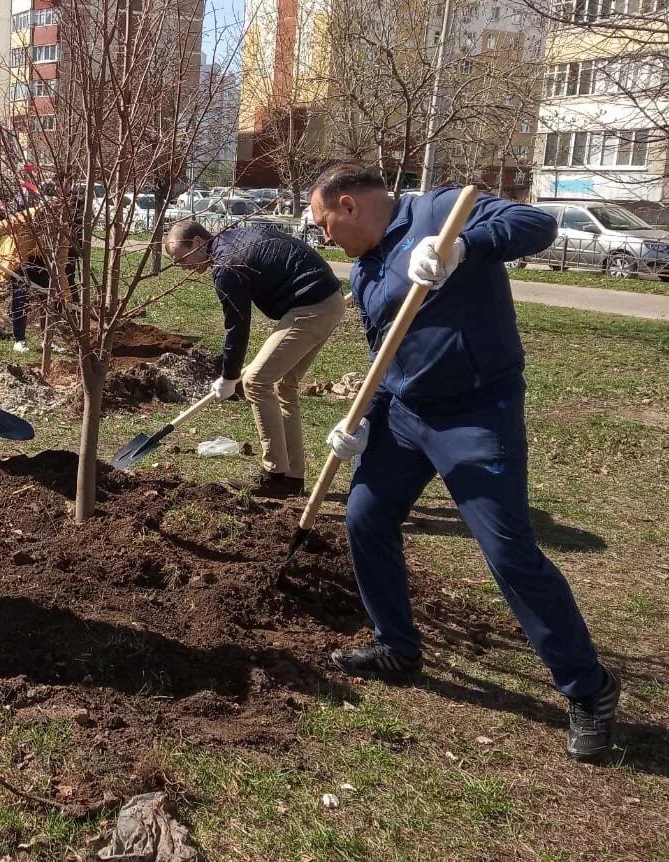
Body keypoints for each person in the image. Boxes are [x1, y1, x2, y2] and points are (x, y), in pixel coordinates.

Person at [309, 162, 620, 763]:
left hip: (477, 413)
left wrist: (463, 246)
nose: (325, 239)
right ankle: (396, 644)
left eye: (325, 224)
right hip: (404, 415)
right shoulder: (366, 272)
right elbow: (386, 358)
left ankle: (589, 688)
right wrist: (359, 423)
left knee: (507, 550)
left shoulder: (443, 211)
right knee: (365, 519)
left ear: (347, 204)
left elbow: (534, 226)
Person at [164, 218, 344, 497]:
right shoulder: (232, 239)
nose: (182, 267)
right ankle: (293, 478)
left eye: (182, 258)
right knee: (285, 385)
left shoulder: (226, 267)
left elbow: (237, 325)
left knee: (256, 382)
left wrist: (229, 376)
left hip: (310, 306)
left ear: (198, 242)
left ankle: (274, 474)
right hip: (328, 300)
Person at [0, 205, 70, 353]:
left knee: (49, 301)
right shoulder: (24, 218)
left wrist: (59, 275)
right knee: (21, 299)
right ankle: (19, 340)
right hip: (22, 260)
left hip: (46, 263)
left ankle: (48, 339)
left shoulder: (61, 226)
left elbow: (62, 253)